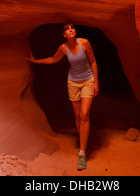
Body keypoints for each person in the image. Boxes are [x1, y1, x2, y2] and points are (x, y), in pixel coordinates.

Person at [26, 22, 99, 171]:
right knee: (78, 116)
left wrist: (96, 82)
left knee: (85, 114)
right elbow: (53, 59)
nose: (70, 30)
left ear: (75, 31)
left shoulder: (84, 43)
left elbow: (93, 61)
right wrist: (35, 61)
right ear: (64, 35)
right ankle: (82, 142)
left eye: (72, 28)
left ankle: (82, 152)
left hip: (87, 81)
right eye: (67, 29)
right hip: (72, 82)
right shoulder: (63, 48)